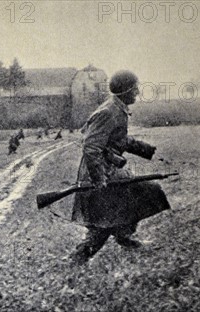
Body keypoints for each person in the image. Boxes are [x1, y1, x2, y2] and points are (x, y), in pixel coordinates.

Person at [70, 70, 170, 264]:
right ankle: (79, 258)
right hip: (99, 174)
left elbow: (119, 139)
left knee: (141, 195)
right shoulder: (108, 112)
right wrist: (99, 179)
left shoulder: (117, 108)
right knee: (104, 223)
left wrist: (145, 150)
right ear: (126, 91)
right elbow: (91, 148)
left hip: (110, 171)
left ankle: (125, 235)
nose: (138, 93)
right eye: (135, 89)